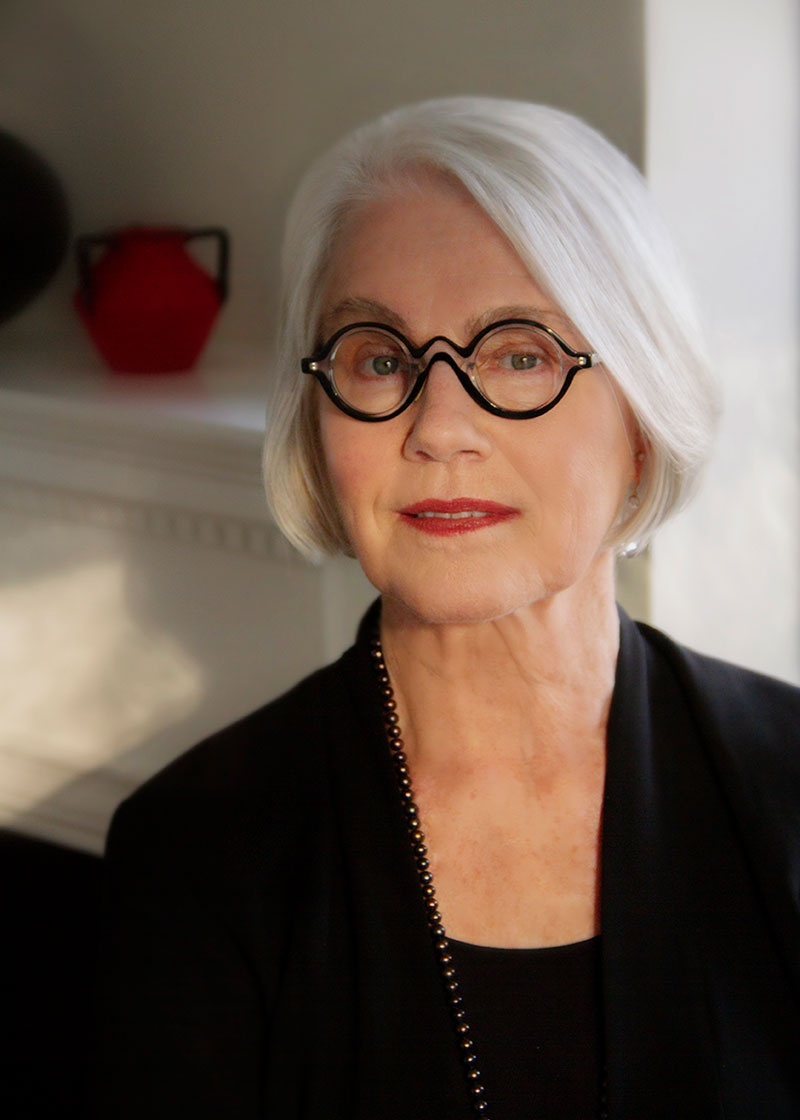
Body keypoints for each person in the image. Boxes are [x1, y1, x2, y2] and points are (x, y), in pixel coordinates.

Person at [94, 98, 800, 1119]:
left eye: (518, 353)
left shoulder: (787, 790)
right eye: (378, 358)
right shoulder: (195, 851)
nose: (437, 426)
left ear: (639, 418)